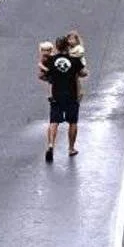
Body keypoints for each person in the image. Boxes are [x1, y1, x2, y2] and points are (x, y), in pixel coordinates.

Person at [40, 31, 87, 163]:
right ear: (67, 46)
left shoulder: (51, 60)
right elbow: (83, 73)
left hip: (56, 94)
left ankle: (50, 145)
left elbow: (43, 75)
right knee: (72, 122)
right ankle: (71, 148)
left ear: (56, 47)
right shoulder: (75, 60)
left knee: (54, 122)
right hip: (71, 94)